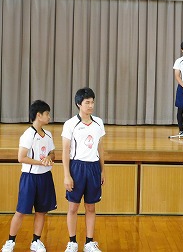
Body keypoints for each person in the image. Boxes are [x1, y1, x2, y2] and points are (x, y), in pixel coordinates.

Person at [1, 100, 57, 252]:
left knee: (41, 211)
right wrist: (41, 162)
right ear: (39, 115)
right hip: (30, 178)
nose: (49, 117)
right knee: (21, 211)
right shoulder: (28, 134)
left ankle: (36, 241)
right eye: (47, 114)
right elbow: (21, 157)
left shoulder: (49, 134)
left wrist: (49, 157)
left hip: (45, 177)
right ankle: (10, 241)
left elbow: (53, 152)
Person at [62, 87, 105, 252]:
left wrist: (102, 170)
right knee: (73, 207)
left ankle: (89, 242)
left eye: (92, 102)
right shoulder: (70, 124)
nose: (91, 105)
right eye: (87, 102)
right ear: (79, 104)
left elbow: (100, 148)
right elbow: (65, 151)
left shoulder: (98, 123)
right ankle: (72, 242)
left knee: (91, 207)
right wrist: (67, 175)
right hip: (76, 167)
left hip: (93, 167)